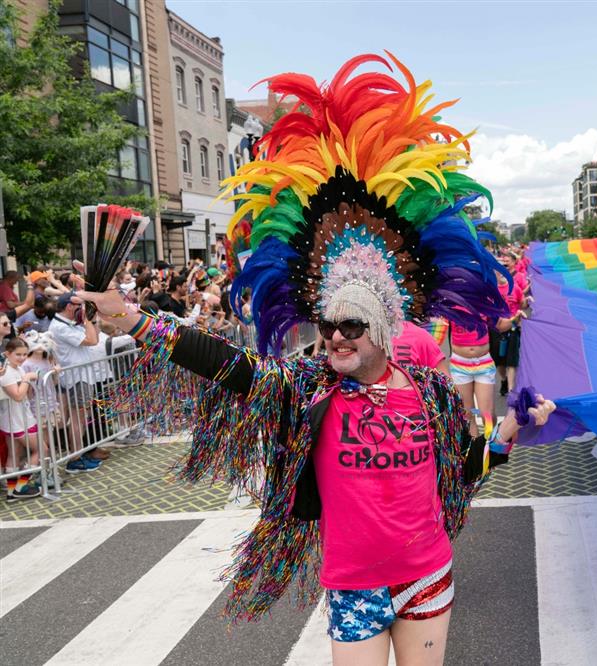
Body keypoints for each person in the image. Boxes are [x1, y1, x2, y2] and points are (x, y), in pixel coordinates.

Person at [78, 54, 556, 666]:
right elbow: (227, 363)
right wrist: (131, 318)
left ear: (382, 330)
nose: (334, 338)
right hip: (355, 585)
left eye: (350, 326)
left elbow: (465, 468)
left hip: (428, 576)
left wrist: (515, 425)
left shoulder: (430, 391)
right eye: (328, 326)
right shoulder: (308, 388)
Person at [48, 292, 104, 473]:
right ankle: (75, 459)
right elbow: (92, 340)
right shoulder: (59, 327)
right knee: (78, 419)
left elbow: (95, 336)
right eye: (79, 306)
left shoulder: (70, 323)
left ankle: (78, 454)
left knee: (81, 418)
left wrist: (92, 320)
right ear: (69, 307)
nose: (82, 310)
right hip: (76, 377)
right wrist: (87, 319)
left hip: (82, 376)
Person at [1, 338, 42, 500]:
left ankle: (12, 491)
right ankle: (21, 487)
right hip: (18, 421)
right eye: (18, 354)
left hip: (15, 419)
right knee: (41, 449)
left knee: (14, 454)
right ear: (7, 354)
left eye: (25, 354)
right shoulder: (6, 373)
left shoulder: (16, 369)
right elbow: (18, 395)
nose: (22, 358)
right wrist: (27, 378)